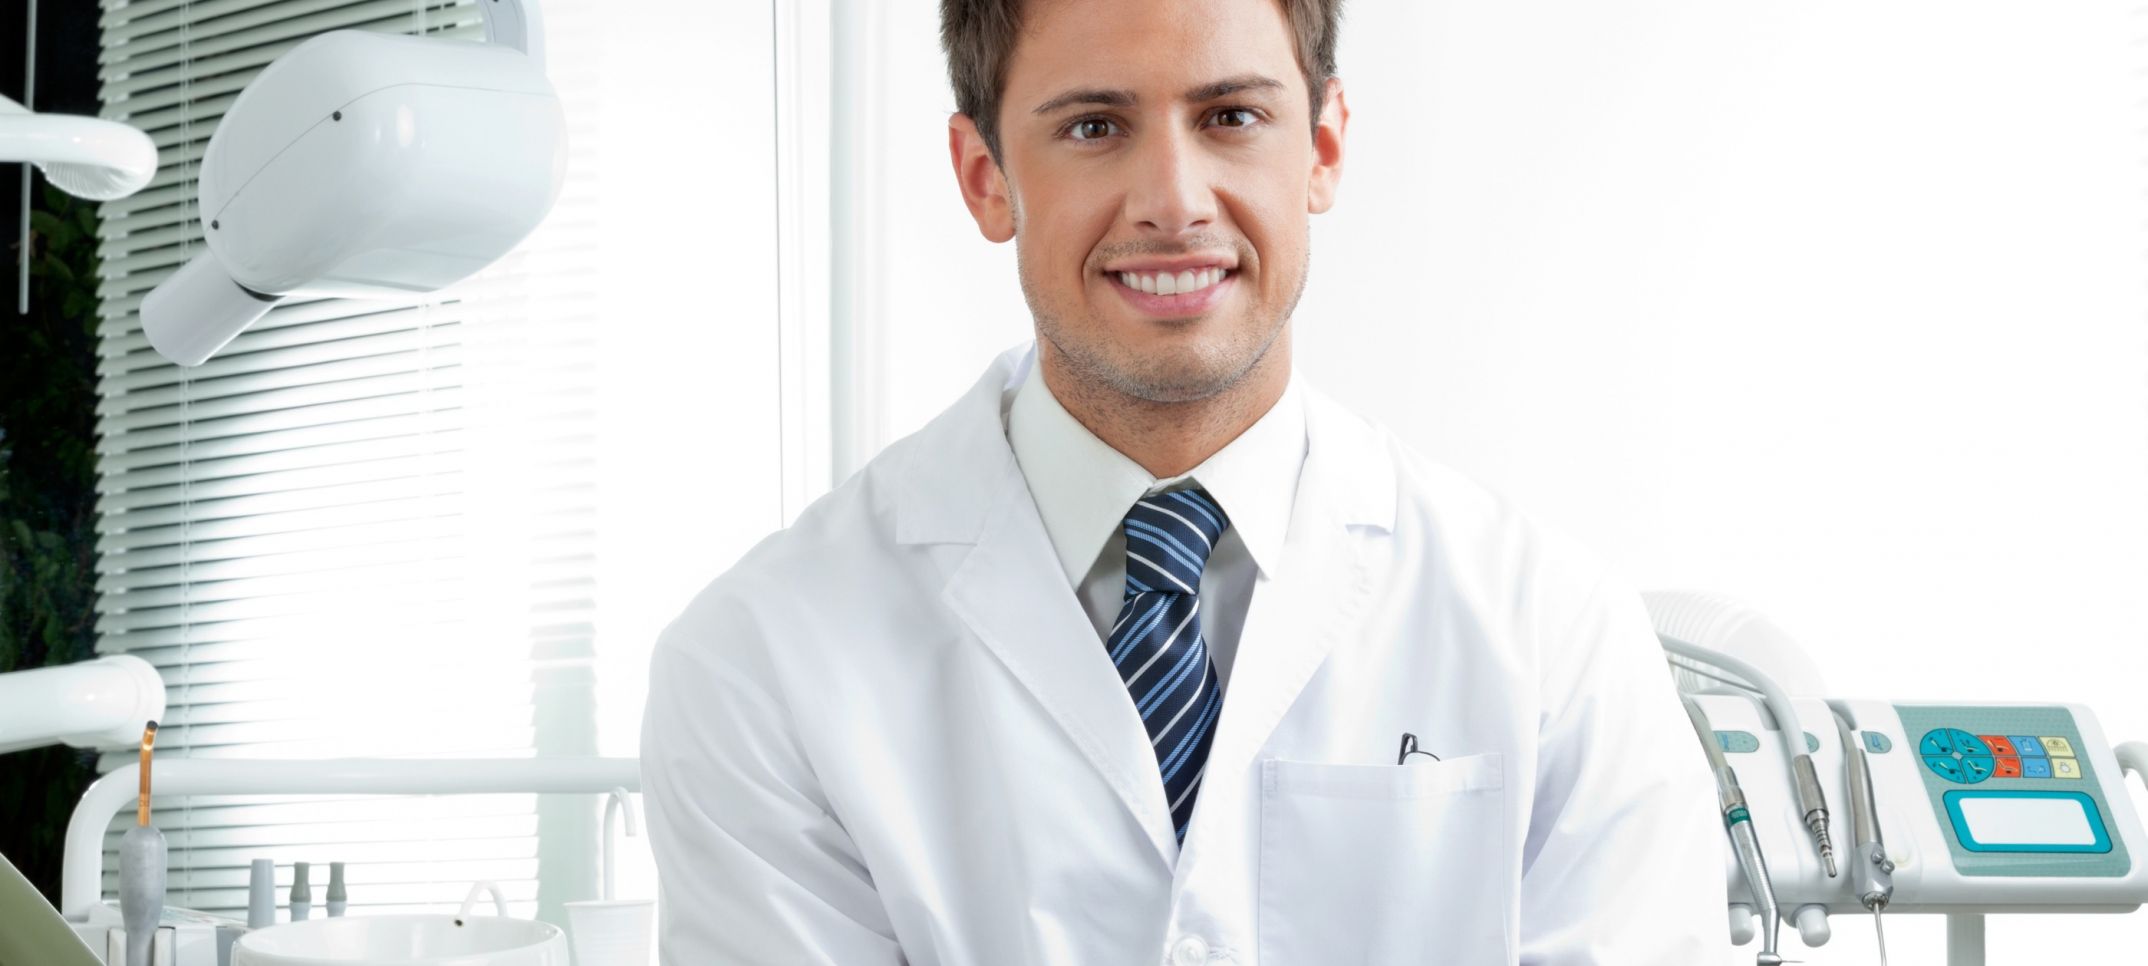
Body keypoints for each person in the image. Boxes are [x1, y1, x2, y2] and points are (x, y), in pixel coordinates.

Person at [641, 0, 1728, 961]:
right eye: (1094, 126)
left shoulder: (1554, 637)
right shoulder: (761, 665)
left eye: (1231, 117)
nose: (1173, 201)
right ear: (985, 178)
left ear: (1323, 147)